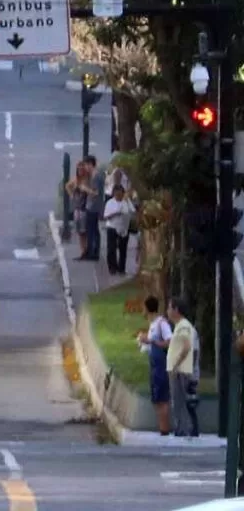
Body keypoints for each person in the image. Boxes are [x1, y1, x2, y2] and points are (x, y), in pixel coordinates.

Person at [137, 296, 172, 435]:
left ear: (147, 308)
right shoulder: (152, 325)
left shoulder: (161, 324)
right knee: (156, 398)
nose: (142, 311)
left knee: (162, 398)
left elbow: (169, 342)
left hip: (161, 366)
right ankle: (162, 428)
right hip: (154, 365)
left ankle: (165, 430)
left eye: (143, 308)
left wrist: (151, 341)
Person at [166, 297, 198, 438]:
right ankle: (181, 429)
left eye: (169, 308)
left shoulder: (184, 326)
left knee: (180, 402)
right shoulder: (180, 326)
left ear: (176, 310)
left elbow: (187, 346)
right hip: (179, 371)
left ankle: (184, 431)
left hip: (180, 372)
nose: (167, 311)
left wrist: (176, 365)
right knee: (177, 401)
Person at [103, 184, 136, 275]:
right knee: (111, 249)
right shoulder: (110, 203)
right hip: (112, 227)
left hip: (124, 227)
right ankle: (112, 267)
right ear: (114, 194)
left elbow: (133, 212)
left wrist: (127, 202)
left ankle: (121, 268)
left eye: (120, 194)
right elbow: (106, 216)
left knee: (123, 249)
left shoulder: (126, 202)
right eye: (116, 194)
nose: (118, 196)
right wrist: (115, 213)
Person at [78, 155, 105, 261]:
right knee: (91, 229)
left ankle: (94, 252)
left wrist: (85, 189)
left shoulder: (97, 176)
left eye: (86, 165)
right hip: (90, 205)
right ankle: (90, 251)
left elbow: (96, 192)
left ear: (90, 164)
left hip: (94, 206)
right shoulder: (92, 175)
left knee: (93, 229)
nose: (85, 167)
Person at [66, 161, 91, 257]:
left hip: (85, 208)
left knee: (85, 231)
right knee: (80, 232)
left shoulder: (87, 180)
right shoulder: (76, 180)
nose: (80, 171)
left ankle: (86, 249)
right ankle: (83, 250)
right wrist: (72, 195)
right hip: (77, 209)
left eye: (82, 169)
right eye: (78, 169)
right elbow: (67, 186)